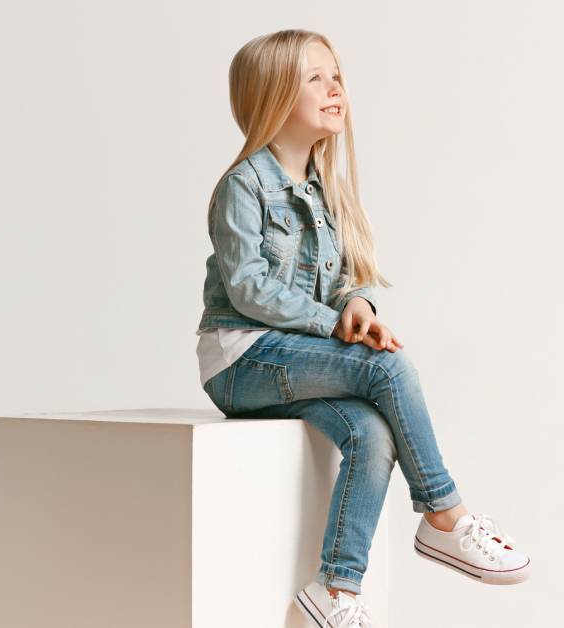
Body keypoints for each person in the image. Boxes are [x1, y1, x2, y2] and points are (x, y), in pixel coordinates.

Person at [194, 28, 531, 627]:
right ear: (272, 95)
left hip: (295, 358)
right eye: (316, 78)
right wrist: (332, 323)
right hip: (244, 360)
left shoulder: (326, 189)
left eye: (337, 76)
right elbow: (247, 287)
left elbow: (352, 273)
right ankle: (444, 515)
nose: (335, 89)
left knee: (371, 434)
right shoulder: (242, 185)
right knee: (387, 368)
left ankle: (337, 589)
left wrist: (359, 308)